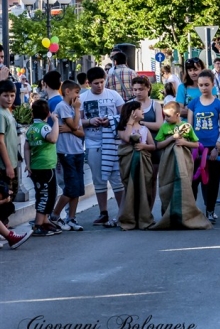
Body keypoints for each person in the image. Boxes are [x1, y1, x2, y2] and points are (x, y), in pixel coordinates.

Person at [81, 67, 125, 226]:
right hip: (93, 143)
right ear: (88, 83)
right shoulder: (83, 97)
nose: (99, 86)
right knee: (98, 179)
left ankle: (122, 211)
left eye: (102, 82)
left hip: (112, 142)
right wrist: (89, 121)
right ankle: (103, 212)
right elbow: (77, 121)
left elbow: (124, 116)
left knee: (117, 178)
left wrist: (111, 120)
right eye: (95, 83)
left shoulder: (114, 95)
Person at [188, 70, 220, 224]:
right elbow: (189, 127)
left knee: (212, 182)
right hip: (196, 147)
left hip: (212, 147)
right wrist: (191, 147)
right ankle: (191, 211)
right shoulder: (193, 103)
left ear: (212, 85)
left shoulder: (219, 104)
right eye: (201, 85)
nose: (204, 88)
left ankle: (210, 210)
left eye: (207, 85)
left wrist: (217, 148)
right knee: (193, 181)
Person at [48, 81, 85, 231]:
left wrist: (70, 130)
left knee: (78, 187)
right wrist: (77, 111)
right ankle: (55, 216)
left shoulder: (72, 107)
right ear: (67, 91)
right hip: (66, 151)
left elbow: (81, 132)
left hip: (77, 150)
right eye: (76, 92)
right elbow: (76, 125)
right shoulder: (63, 107)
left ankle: (72, 217)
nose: (78, 96)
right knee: (71, 186)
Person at [116, 101, 157, 230]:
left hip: (143, 163)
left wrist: (144, 146)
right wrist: (129, 122)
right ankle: (129, 218)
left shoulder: (145, 129)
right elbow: (127, 138)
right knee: (130, 189)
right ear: (133, 113)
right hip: (129, 164)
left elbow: (153, 146)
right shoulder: (122, 128)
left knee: (144, 189)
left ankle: (144, 217)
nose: (143, 111)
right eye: (140, 109)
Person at [24, 100, 61, 237]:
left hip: (36, 166)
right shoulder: (44, 127)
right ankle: (38, 224)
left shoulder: (31, 129)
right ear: (48, 113)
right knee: (46, 195)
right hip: (46, 166)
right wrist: (55, 121)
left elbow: (26, 147)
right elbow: (53, 138)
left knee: (43, 193)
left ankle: (44, 220)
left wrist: (27, 164)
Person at [131, 76, 163, 206]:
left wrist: (141, 122)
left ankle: (148, 210)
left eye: (141, 89)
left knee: (152, 180)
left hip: (153, 146)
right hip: (136, 147)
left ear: (148, 88)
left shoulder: (155, 105)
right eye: (135, 89)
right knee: (136, 180)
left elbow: (159, 125)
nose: (138, 92)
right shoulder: (130, 104)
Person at [0, 80, 19, 227]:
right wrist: (8, 165)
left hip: (12, 161)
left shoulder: (7, 112)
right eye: (5, 95)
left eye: (12, 95)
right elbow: (0, 141)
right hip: (5, 165)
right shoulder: (1, 114)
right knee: (6, 196)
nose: (9, 99)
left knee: (11, 195)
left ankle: (4, 226)